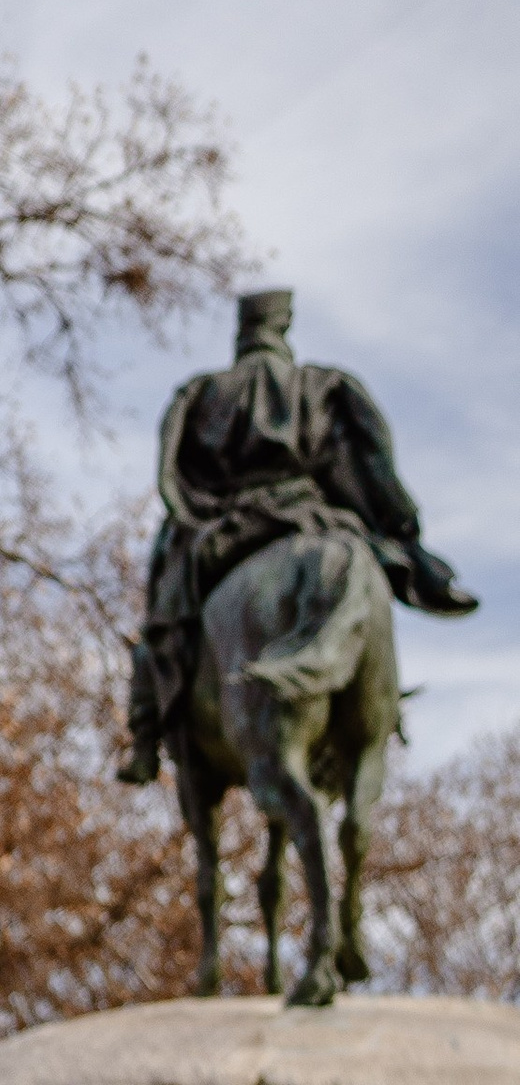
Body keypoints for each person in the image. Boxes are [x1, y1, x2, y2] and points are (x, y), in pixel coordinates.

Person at [119, 288, 475, 786]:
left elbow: (169, 476)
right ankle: (381, 701)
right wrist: (403, 529)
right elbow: (372, 460)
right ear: (283, 328)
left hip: (229, 526)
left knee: (159, 625)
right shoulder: (323, 387)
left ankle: (145, 736)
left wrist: (191, 511)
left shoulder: (202, 393)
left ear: (241, 333)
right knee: (361, 574)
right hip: (312, 518)